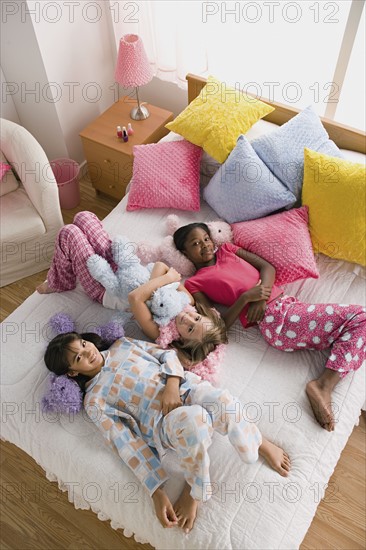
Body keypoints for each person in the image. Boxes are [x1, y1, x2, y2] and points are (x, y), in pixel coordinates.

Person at [44, 331, 291, 532]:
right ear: (72, 373)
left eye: (84, 344)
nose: (88, 352)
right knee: (195, 422)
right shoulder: (94, 401)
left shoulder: (123, 345)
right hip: (165, 423)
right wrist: (156, 491)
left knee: (223, 400)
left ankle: (257, 443)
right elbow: (124, 441)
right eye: (79, 358)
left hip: (185, 388)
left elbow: (166, 356)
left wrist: (172, 384)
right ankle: (196, 489)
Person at [173, 223, 366, 432]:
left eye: (206, 238)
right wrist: (245, 298)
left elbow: (268, 268)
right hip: (276, 320)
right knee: (361, 316)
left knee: (355, 326)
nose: (204, 245)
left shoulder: (228, 250)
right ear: (185, 253)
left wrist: (260, 300)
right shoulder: (195, 283)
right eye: (195, 243)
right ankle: (323, 386)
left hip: (288, 307)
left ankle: (326, 381)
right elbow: (215, 327)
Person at [37, 211, 227, 367]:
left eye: (190, 328)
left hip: (104, 286)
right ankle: (66, 271)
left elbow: (134, 297)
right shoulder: (187, 302)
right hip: (125, 264)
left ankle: (61, 282)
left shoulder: (158, 330)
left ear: (184, 340)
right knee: (83, 217)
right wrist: (154, 289)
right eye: (196, 318)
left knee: (69, 233)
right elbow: (160, 265)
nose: (188, 319)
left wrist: (165, 281)